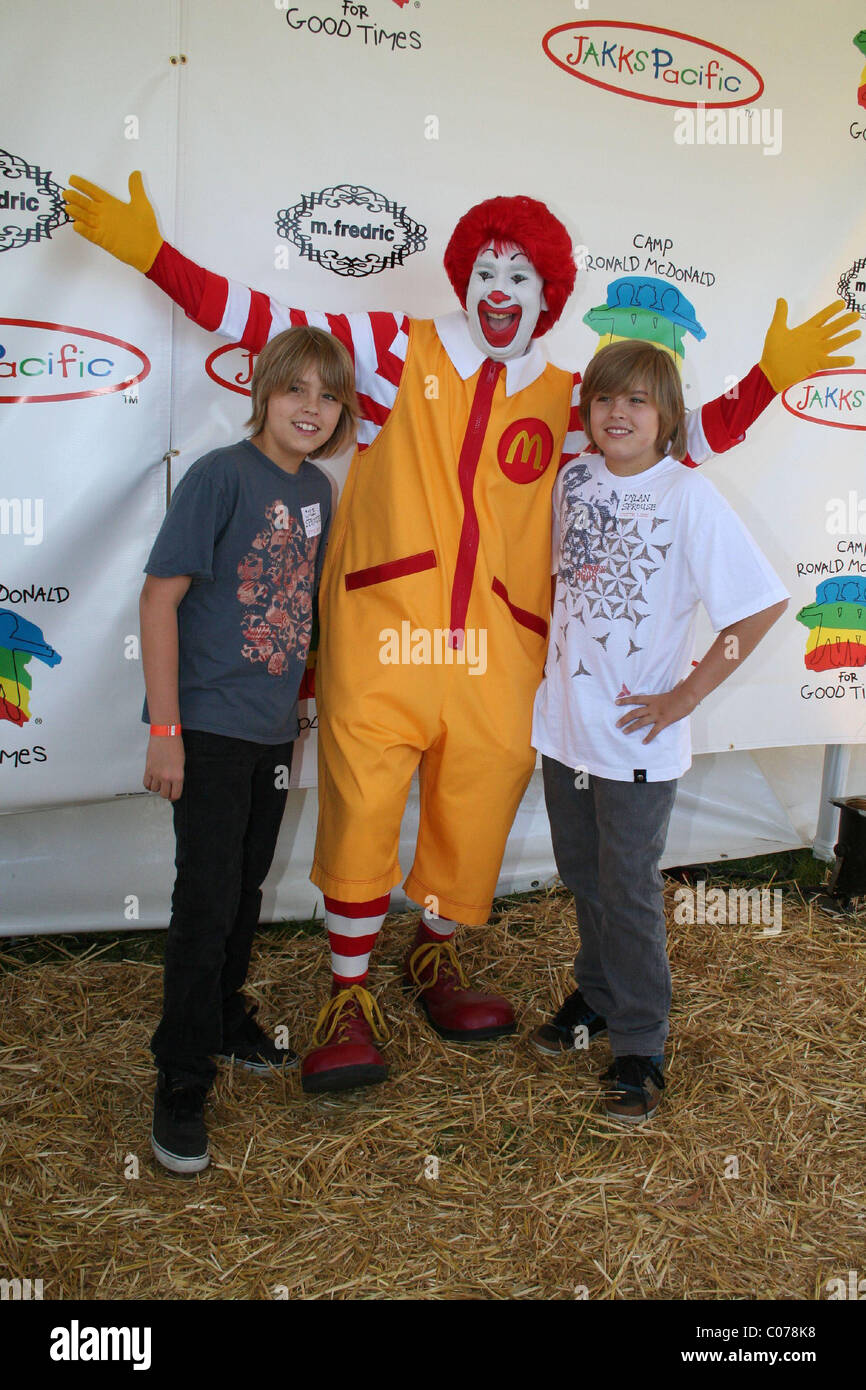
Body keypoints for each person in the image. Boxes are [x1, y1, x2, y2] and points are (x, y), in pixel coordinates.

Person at [63, 171, 856, 1095]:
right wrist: (155, 257)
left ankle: (433, 952)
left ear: (547, 295)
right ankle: (347, 994)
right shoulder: (396, 348)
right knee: (363, 806)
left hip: (499, 654)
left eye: (521, 275)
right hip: (383, 637)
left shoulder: (568, 397)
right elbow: (265, 323)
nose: (500, 289)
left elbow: (670, 446)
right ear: (462, 278)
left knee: (474, 807)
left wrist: (766, 381)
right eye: (487, 269)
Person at [530, 340, 789, 1123]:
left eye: (638, 400)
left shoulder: (689, 496)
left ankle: (640, 1043)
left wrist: (684, 696)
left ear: (668, 416)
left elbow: (760, 608)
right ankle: (598, 995)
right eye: (606, 398)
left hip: (637, 745)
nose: (619, 413)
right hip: (565, 731)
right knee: (583, 875)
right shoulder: (572, 481)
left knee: (630, 892)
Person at [140, 325, 357, 1172]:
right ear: (263, 392)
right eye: (295, 389)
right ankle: (180, 1075)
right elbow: (159, 600)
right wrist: (166, 730)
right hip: (207, 726)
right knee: (204, 899)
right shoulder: (218, 476)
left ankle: (225, 1016)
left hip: (271, 729)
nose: (310, 408)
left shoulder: (319, 490)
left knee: (245, 886)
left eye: (328, 396)